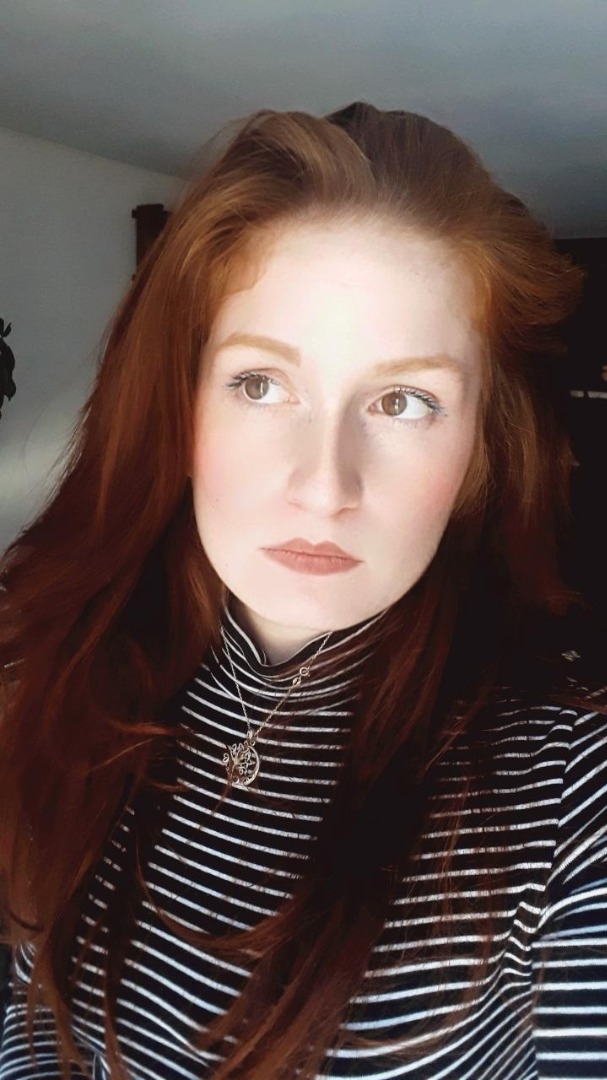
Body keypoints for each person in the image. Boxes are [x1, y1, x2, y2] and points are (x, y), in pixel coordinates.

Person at [0, 100, 606, 1080]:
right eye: (260, 384)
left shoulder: (568, 789)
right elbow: (31, 1018)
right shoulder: (55, 665)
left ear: (481, 451)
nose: (324, 486)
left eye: (404, 401)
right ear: (178, 406)